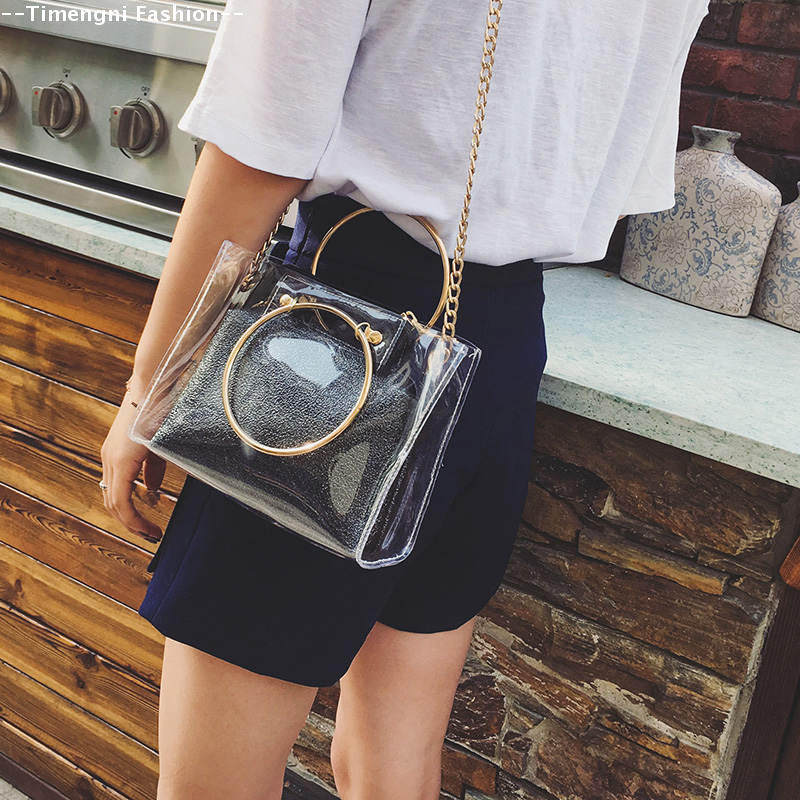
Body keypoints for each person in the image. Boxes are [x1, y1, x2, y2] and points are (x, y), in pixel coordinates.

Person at [100, 0, 710, 797]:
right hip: (497, 345)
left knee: (214, 782)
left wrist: (149, 388)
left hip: (338, 349)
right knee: (394, 761)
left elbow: (260, 150)